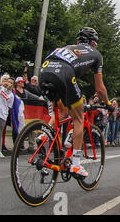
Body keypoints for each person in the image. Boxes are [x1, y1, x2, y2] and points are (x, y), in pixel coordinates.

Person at [39, 27, 112, 177]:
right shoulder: (96, 54)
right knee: (79, 118)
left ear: (78, 41)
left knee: (63, 110)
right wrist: (109, 104)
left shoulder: (67, 48)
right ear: (93, 43)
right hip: (64, 73)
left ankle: (44, 136)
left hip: (44, 71)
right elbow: (100, 89)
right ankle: (76, 165)